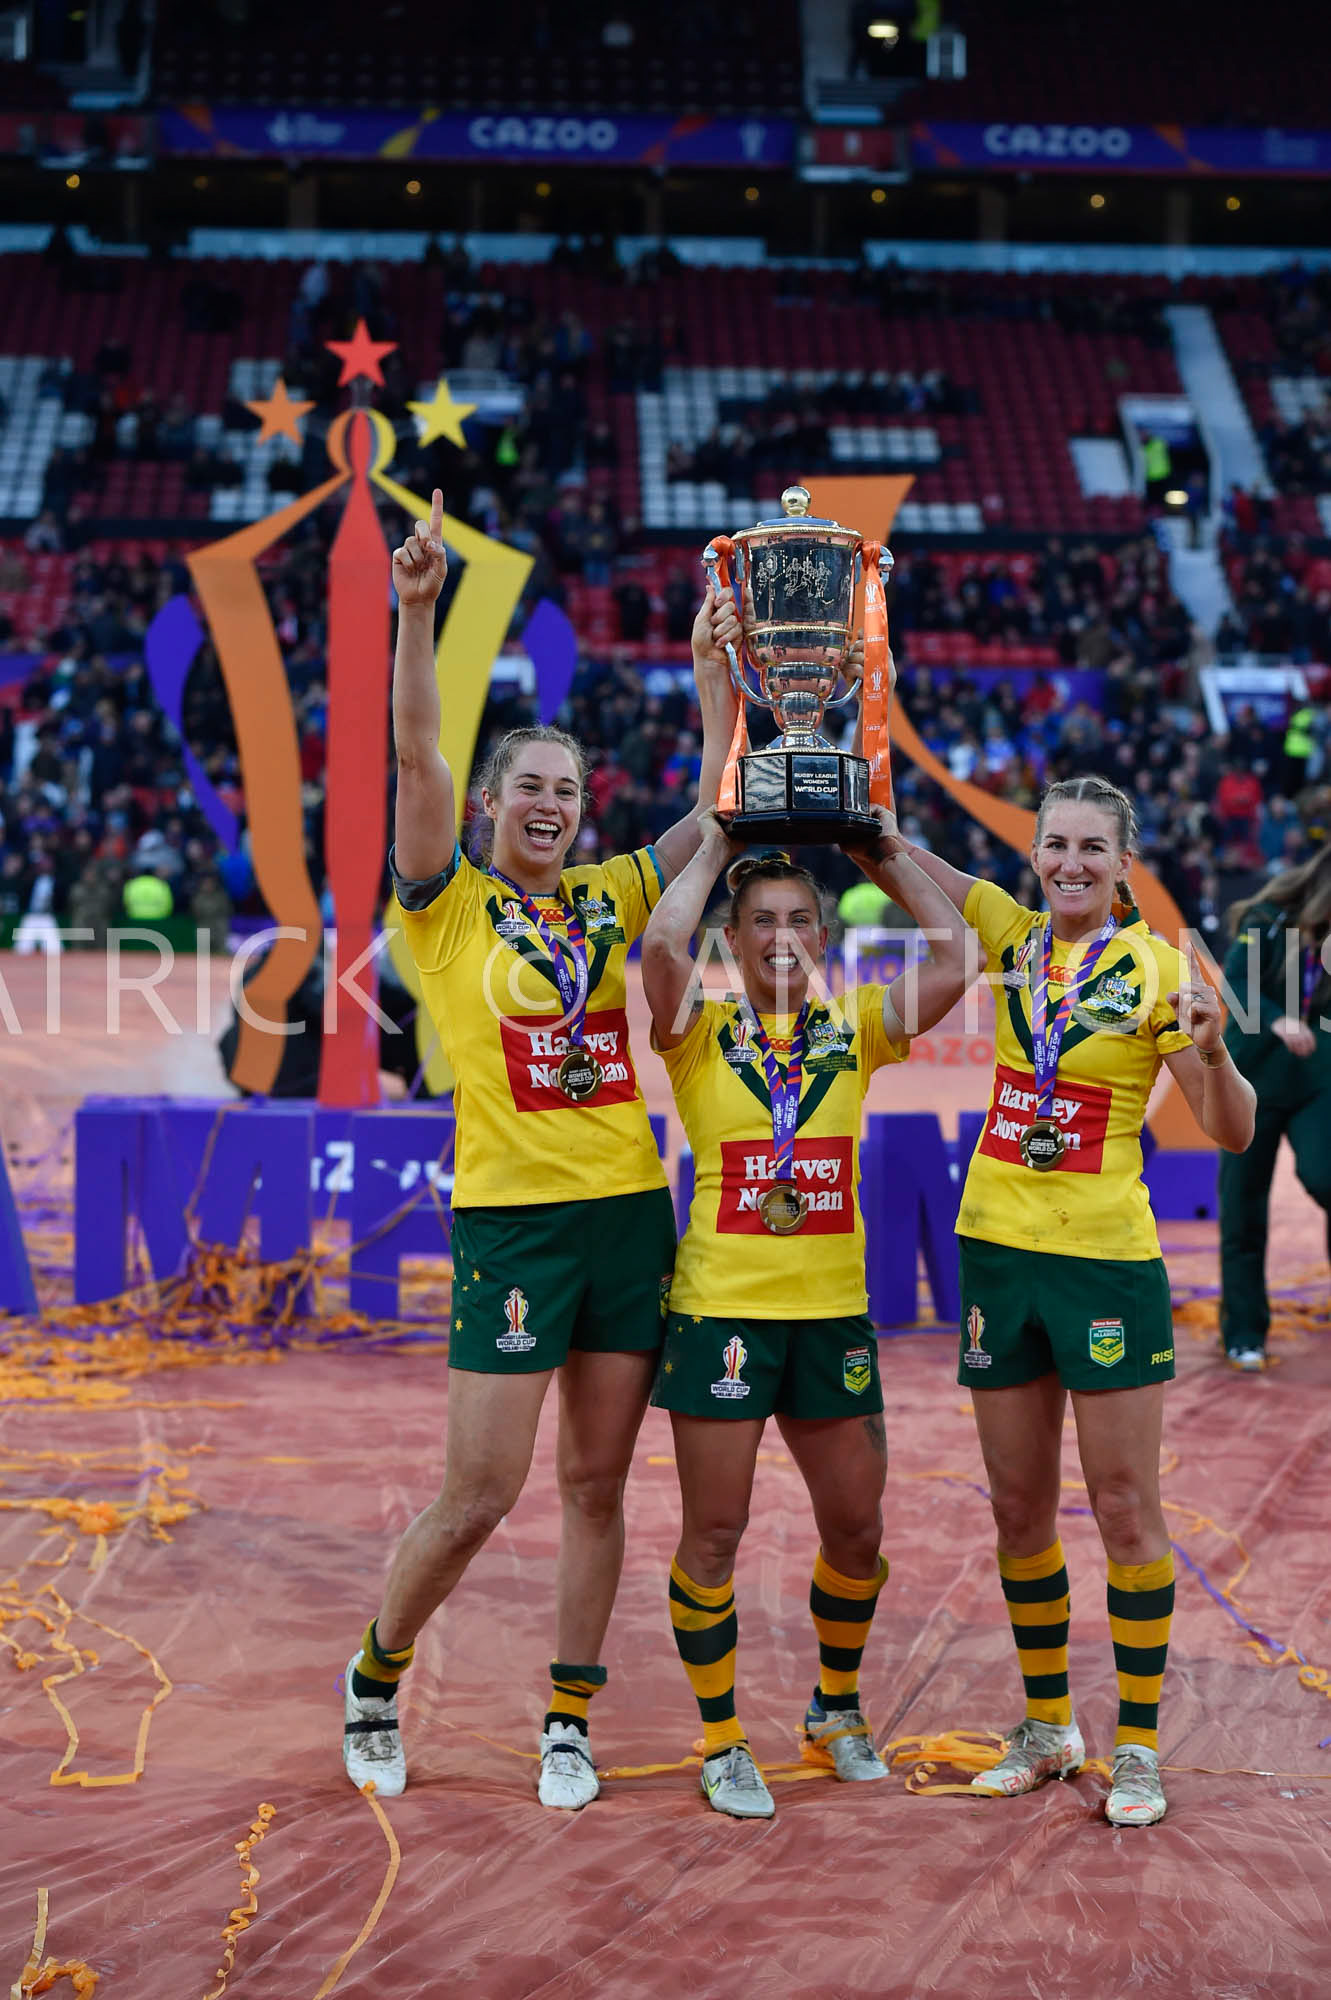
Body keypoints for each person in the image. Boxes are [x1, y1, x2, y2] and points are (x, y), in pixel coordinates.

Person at [341, 490, 739, 1809]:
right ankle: (375, 1678)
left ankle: (567, 1721)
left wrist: (708, 680)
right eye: (530, 790)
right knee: (479, 1487)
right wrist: (415, 615)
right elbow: (412, 763)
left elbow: (711, 813)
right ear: (496, 801)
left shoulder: (604, 895)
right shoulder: (444, 908)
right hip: (512, 1227)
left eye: (567, 792)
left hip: (629, 1216)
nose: (551, 808)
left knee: (592, 1483)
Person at [906, 774, 1254, 1828]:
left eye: (1089, 849)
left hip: (1104, 1261)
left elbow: (1230, 1130)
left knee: (1120, 1504)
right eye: (1053, 843)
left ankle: (1137, 1745)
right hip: (995, 1253)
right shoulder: (1006, 933)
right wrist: (860, 801)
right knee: (1016, 1507)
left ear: (1120, 864)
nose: (1067, 862)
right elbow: (909, 861)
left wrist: (1209, 1045)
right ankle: (1049, 1722)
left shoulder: (1157, 970)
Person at [641, 808, 974, 1819]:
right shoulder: (694, 1033)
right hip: (721, 1315)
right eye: (760, 922)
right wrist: (717, 849)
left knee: (857, 1530)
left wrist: (878, 851)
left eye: (798, 919)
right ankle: (720, 1736)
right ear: (732, 940)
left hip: (831, 1315)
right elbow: (658, 943)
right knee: (715, 1530)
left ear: (820, 936)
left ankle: (835, 1705)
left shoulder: (857, 1029)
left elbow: (959, 950)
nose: (780, 936)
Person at [1217, 847, 1331, 1370]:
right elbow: (1234, 984)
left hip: (1314, 1080)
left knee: (1327, 1177)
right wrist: (1278, 1017)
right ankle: (1244, 1332)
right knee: (1243, 1208)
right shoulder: (1266, 921)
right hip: (1250, 1080)